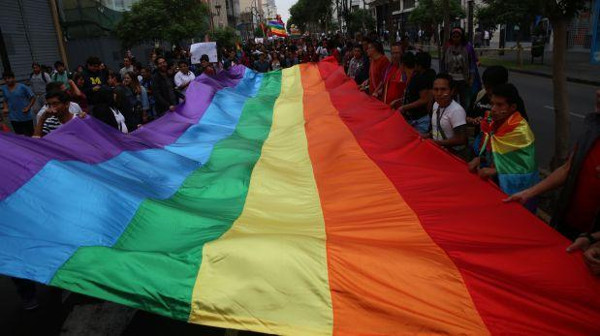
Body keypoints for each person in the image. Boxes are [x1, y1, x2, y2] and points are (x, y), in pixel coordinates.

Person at [505, 90, 600, 241]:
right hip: (569, 225)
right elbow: (567, 168)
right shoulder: (592, 131)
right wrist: (528, 193)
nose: (598, 92)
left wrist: (593, 240)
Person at [468, 83, 539, 211]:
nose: (493, 109)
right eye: (492, 103)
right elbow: (494, 153)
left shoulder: (520, 131)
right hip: (497, 185)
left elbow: (525, 167)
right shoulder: (492, 122)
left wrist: (495, 171)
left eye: (499, 105)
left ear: (512, 107)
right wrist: (481, 159)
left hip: (519, 190)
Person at [428, 73, 468, 157]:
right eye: (436, 89)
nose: (439, 93)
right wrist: (426, 136)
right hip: (439, 152)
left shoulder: (456, 111)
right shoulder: (435, 104)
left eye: (443, 89)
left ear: (452, 91)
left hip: (453, 155)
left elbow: (461, 139)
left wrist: (436, 143)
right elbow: (438, 127)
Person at [441, 27, 477, 109]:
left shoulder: (467, 48)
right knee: (451, 102)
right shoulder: (448, 48)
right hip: (451, 80)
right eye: (454, 36)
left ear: (461, 37)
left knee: (465, 102)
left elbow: (472, 64)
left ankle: (465, 118)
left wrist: (471, 78)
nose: (456, 39)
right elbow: (444, 64)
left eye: (458, 36)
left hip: (464, 80)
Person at [400, 52, 435, 134]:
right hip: (415, 119)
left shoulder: (419, 78)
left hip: (419, 120)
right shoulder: (415, 77)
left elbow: (425, 100)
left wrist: (404, 107)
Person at [373, 43, 409, 108]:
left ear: (402, 53)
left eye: (397, 53)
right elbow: (384, 84)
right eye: (393, 53)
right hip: (386, 107)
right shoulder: (388, 68)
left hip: (399, 109)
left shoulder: (406, 71)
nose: (395, 56)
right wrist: (377, 92)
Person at [1, 71, 36, 136]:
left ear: (14, 78)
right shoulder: (4, 88)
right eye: (5, 79)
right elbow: (5, 100)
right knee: (19, 136)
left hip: (25, 116)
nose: (7, 80)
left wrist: (28, 107)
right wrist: (5, 108)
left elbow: (33, 97)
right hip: (13, 117)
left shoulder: (22, 87)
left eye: (9, 78)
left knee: (30, 135)